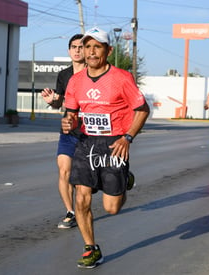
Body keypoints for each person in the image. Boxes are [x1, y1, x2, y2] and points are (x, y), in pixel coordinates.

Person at [61, 27, 150, 268]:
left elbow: (142, 110)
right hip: (86, 142)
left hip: (115, 143)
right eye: (86, 46)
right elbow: (73, 114)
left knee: (111, 208)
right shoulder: (75, 81)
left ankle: (124, 179)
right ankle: (91, 248)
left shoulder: (122, 78)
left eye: (96, 46)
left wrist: (128, 138)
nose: (90, 52)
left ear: (108, 50)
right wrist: (70, 121)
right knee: (82, 197)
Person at [41, 34, 85, 229]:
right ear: (69, 51)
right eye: (73, 47)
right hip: (68, 130)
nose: (77, 50)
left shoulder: (94, 74)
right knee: (64, 170)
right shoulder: (64, 75)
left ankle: (118, 176)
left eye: (80, 47)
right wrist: (52, 101)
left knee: (90, 178)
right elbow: (60, 102)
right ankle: (71, 212)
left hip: (90, 132)